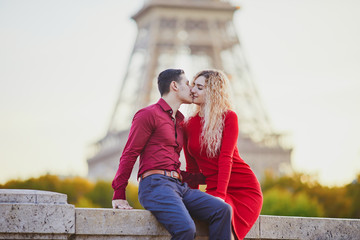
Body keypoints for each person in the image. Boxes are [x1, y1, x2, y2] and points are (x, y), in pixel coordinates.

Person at [111, 69, 232, 240]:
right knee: (186, 229)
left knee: (222, 210)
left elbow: (172, 166)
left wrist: (210, 177)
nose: (191, 89)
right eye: (188, 83)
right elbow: (129, 154)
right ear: (174, 86)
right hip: (155, 186)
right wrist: (119, 194)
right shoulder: (148, 114)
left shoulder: (181, 122)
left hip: (178, 186)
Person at [182, 69, 263, 240]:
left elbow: (226, 158)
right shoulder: (187, 125)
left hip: (243, 188)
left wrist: (220, 195)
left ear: (212, 92)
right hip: (214, 187)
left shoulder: (229, 117)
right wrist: (191, 198)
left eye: (199, 87)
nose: (193, 91)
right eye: (193, 86)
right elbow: (191, 168)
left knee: (227, 231)